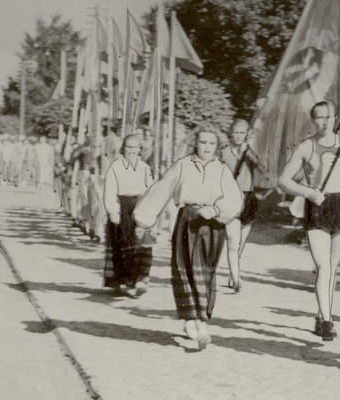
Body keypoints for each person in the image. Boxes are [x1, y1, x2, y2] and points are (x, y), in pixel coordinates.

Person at [278, 99, 340, 342]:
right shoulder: (306, 147)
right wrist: (308, 193)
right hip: (317, 206)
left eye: (328, 116)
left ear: (336, 118)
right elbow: (283, 180)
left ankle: (322, 313)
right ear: (312, 120)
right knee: (323, 266)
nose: (324, 121)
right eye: (319, 117)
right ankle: (326, 321)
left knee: (333, 267)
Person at [133, 124, 243, 349]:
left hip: (213, 225)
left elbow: (235, 198)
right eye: (203, 142)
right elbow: (161, 189)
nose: (207, 147)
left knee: (206, 271)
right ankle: (191, 320)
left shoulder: (221, 169)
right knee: (185, 269)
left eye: (212, 143)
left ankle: (200, 320)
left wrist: (216, 209)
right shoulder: (182, 165)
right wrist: (143, 221)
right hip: (188, 222)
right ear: (195, 143)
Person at [103, 133, 154, 298]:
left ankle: (138, 280)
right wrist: (113, 211)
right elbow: (110, 191)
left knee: (141, 245)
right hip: (122, 208)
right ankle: (120, 281)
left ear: (140, 149)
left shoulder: (145, 168)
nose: (132, 150)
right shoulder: (115, 167)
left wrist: (150, 212)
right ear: (123, 148)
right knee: (122, 246)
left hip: (139, 208)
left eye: (135, 147)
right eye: (129, 147)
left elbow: (150, 191)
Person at [220, 118, 259, 292]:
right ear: (230, 132)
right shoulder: (223, 152)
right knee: (233, 241)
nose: (238, 135)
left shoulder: (250, 152)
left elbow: (263, 168)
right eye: (236, 131)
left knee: (241, 242)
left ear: (246, 135)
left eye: (242, 132)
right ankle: (236, 278)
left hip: (249, 198)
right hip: (231, 198)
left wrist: (249, 152)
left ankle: (233, 271)